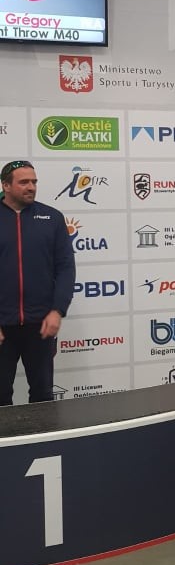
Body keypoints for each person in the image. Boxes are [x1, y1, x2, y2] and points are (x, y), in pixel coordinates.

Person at [0, 160, 75, 405]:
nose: (31, 187)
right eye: (24, 182)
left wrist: (57, 310)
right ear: (6, 186)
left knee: (43, 395)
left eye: (34, 182)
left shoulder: (52, 218)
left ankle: (43, 434)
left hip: (41, 325)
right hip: (2, 326)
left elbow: (65, 267)